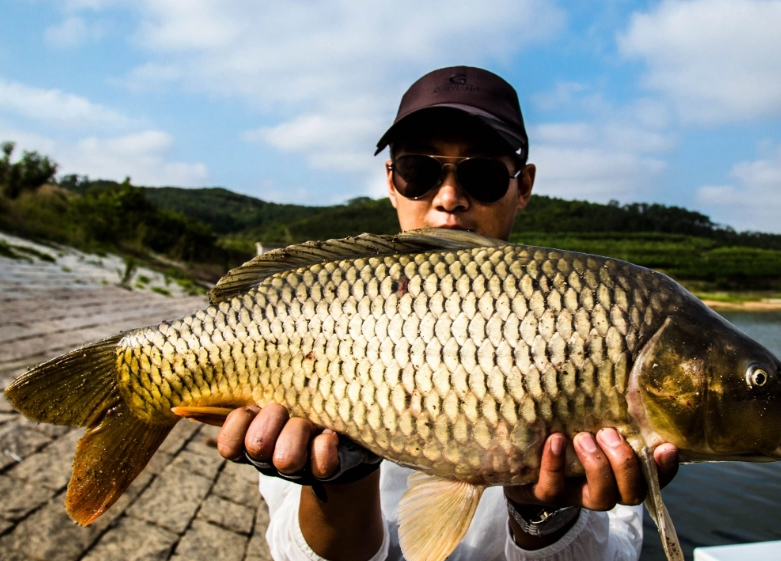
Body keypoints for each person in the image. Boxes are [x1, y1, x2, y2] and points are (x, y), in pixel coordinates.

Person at [216, 66, 679, 560]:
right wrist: (343, 476)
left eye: (481, 174)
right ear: (392, 183)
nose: (449, 198)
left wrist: (546, 514)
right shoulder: (317, 312)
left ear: (522, 186)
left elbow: (622, 550)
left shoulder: (601, 319)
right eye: (420, 172)